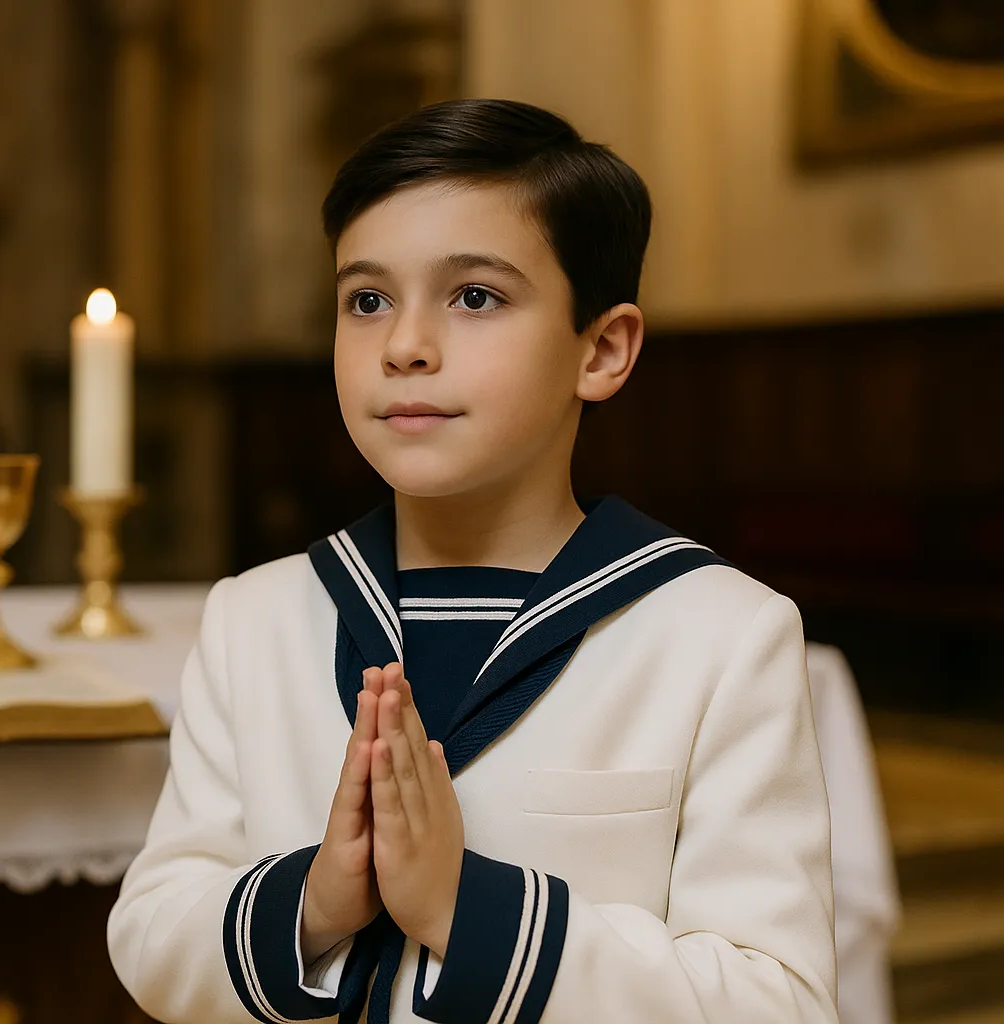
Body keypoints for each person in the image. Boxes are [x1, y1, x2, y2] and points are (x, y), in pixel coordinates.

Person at [107, 99, 838, 1024]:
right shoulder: (254, 617)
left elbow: (780, 1001)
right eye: (367, 301)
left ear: (602, 349)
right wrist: (316, 901)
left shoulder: (717, 635)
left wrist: (468, 910)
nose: (405, 347)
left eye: (475, 297)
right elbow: (153, 928)